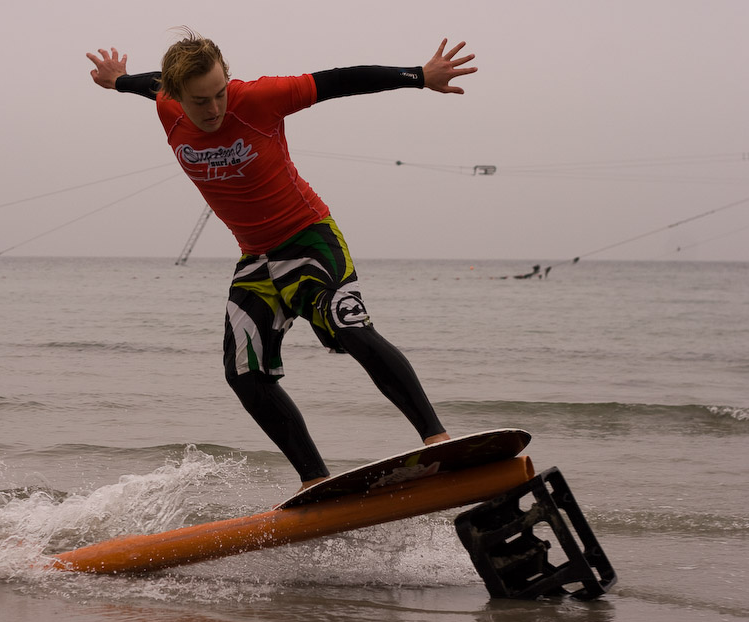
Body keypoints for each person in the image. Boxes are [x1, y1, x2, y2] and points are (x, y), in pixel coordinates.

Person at [87, 30, 477, 491]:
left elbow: (338, 81)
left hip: (309, 237)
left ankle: (437, 439)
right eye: (199, 101)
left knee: (348, 326)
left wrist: (417, 76)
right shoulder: (164, 102)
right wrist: (117, 80)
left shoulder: (260, 99)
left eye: (219, 94)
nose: (213, 110)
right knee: (244, 373)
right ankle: (314, 480)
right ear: (174, 96)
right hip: (256, 256)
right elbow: (143, 83)